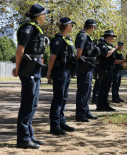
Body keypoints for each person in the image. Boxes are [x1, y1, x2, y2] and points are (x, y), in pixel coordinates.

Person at [12, 4, 50, 149]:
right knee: (27, 103)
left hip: (35, 68)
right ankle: (23, 139)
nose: (45, 17)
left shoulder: (35, 28)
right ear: (39, 15)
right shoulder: (28, 28)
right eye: (45, 14)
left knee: (33, 103)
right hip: (28, 69)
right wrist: (17, 67)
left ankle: (29, 135)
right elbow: (19, 50)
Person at [47, 17, 76, 135]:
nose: (72, 27)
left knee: (64, 98)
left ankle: (61, 122)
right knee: (58, 99)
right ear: (67, 26)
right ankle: (54, 126)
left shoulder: (67, 39)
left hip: (67, 71)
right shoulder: (58, 39)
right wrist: (49, 73)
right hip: (59, 71)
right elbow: (52, 57)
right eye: (71, 25)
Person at [75, 19, 98, 122]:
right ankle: (80, 114)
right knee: (83, 90)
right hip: (84, 66)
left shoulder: (86, 36)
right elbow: (78, 53)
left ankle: (86, 111)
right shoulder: (83, 36)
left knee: (88, 90)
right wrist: (84, 62)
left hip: (88, 66)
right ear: (92, 27)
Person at [96, 30, 119, 111]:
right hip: (104, 69)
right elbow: (106, 54)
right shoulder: (102, 45)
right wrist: (114, 49)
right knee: (103, 87)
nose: (113, 38)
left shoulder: (110, 45)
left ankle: (105, 104)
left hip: (110, 69)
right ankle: (100, 105)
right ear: (108, 36)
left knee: (107, 87)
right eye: (112, 36)